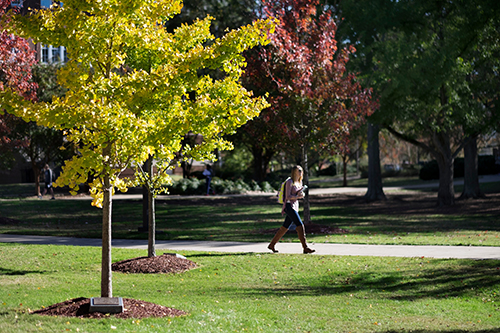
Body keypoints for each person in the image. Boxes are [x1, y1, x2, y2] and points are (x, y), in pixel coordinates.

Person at [268, 165, 315, 254]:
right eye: (299, 170)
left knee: (285, 227)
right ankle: (305, 247)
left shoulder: (299, 182)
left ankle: (272, 244)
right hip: (289, 206)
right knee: (300, 225)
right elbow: (288, 196)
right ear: (294, 171)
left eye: (301, 170)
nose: (301, 172)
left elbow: (296, 194)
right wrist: (298, 196)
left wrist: (301, 194)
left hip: (294, 206)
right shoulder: (290, 182)